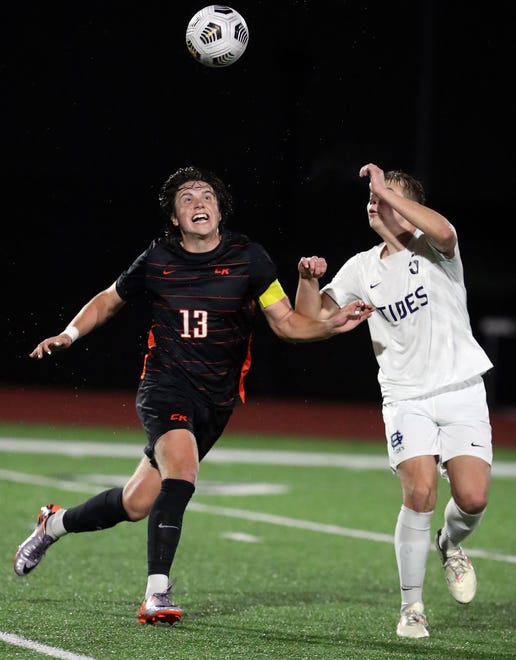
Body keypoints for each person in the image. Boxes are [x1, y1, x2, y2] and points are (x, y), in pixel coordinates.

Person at [14, 165, 373, 625]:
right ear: (174, 217)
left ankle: (53, 524)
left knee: (136, 503)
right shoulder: (159, 257)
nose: (198, 202)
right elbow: (108, 299)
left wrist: (329, 324)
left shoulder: (250, 259)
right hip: (165, 387)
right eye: (187, 198)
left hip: (217, 402)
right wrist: (68, 335)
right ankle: (156, 593)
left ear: (221, 210)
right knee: (182, 474)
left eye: (206, 195)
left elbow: (287, 324)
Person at [295, 162, 493, 639]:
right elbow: (308, 319)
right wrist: (306, 279)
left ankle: (450, 541)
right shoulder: (362, 268)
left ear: (409, 208)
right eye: (372, 195)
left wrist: (389, 192)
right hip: (405, 397)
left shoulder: (437, 251)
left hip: (461, 387)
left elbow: (443, 227)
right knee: (420, 490)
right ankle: (412, 607)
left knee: (472, 497)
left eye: (386, 195)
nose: (375, 199)